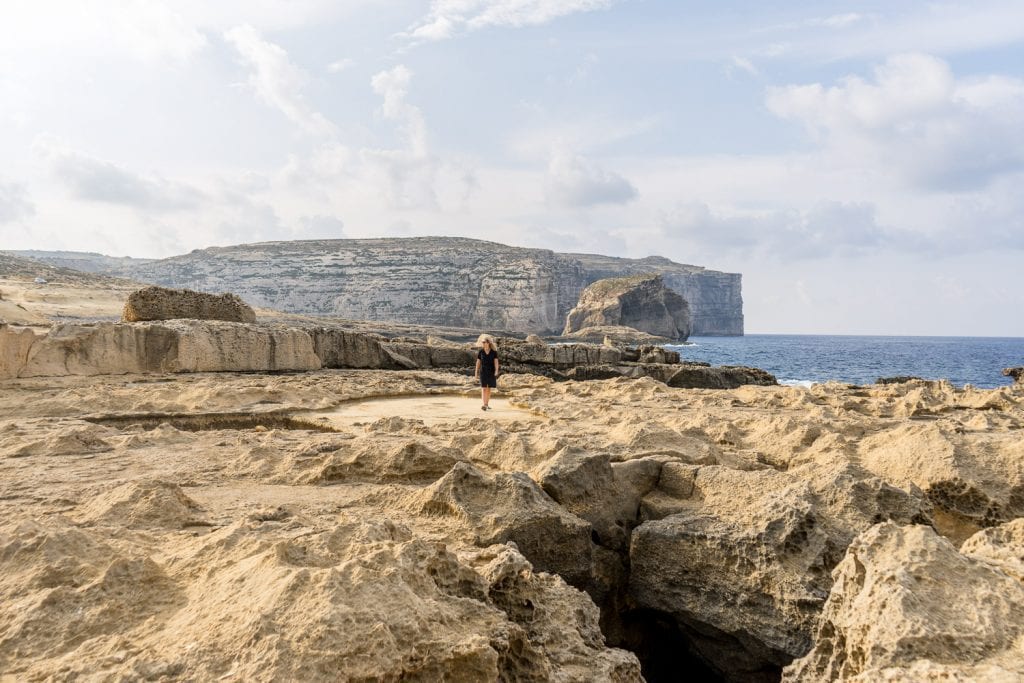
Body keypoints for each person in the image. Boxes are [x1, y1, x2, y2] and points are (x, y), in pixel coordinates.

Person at [475, 335, 500, 410]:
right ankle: (485, 404)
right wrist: (476, 373)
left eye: (484, 342)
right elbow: (478, 363)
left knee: (489, 389)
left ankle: (486, 404)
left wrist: (496, 371)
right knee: (484, 388)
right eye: (482, 342)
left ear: (488, 343)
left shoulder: (494, 352)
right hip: (483, 372)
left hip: (491, 372)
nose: (483, 343)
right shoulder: (481, 352)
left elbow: (496, 362)